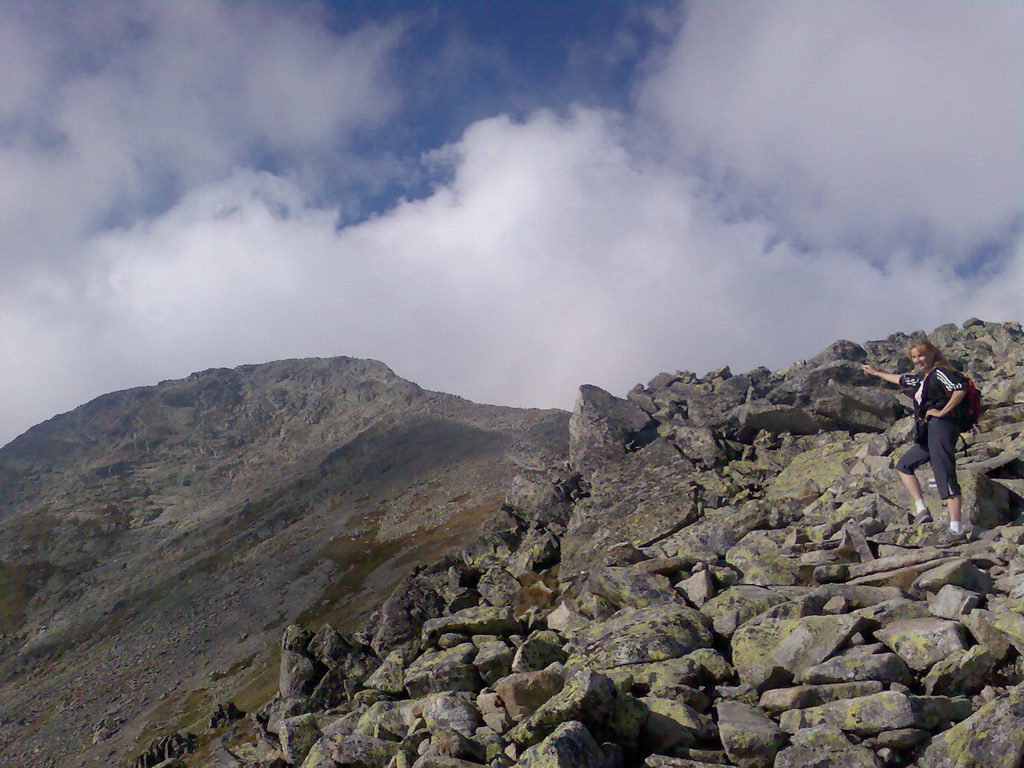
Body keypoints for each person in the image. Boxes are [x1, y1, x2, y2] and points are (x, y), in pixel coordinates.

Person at [861, 339, 967, 534]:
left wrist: (942, 412)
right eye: (915, 357)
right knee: (904, 465)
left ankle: (956, 528)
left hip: (942, 426)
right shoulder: (921, 378)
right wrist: (875, 372)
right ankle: (921, 509)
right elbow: (901, 379)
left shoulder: (940, 372)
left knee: (944, 472)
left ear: (932, 354)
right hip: (929, 432)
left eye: (921, 355)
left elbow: (959, 389)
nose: (918, 360)